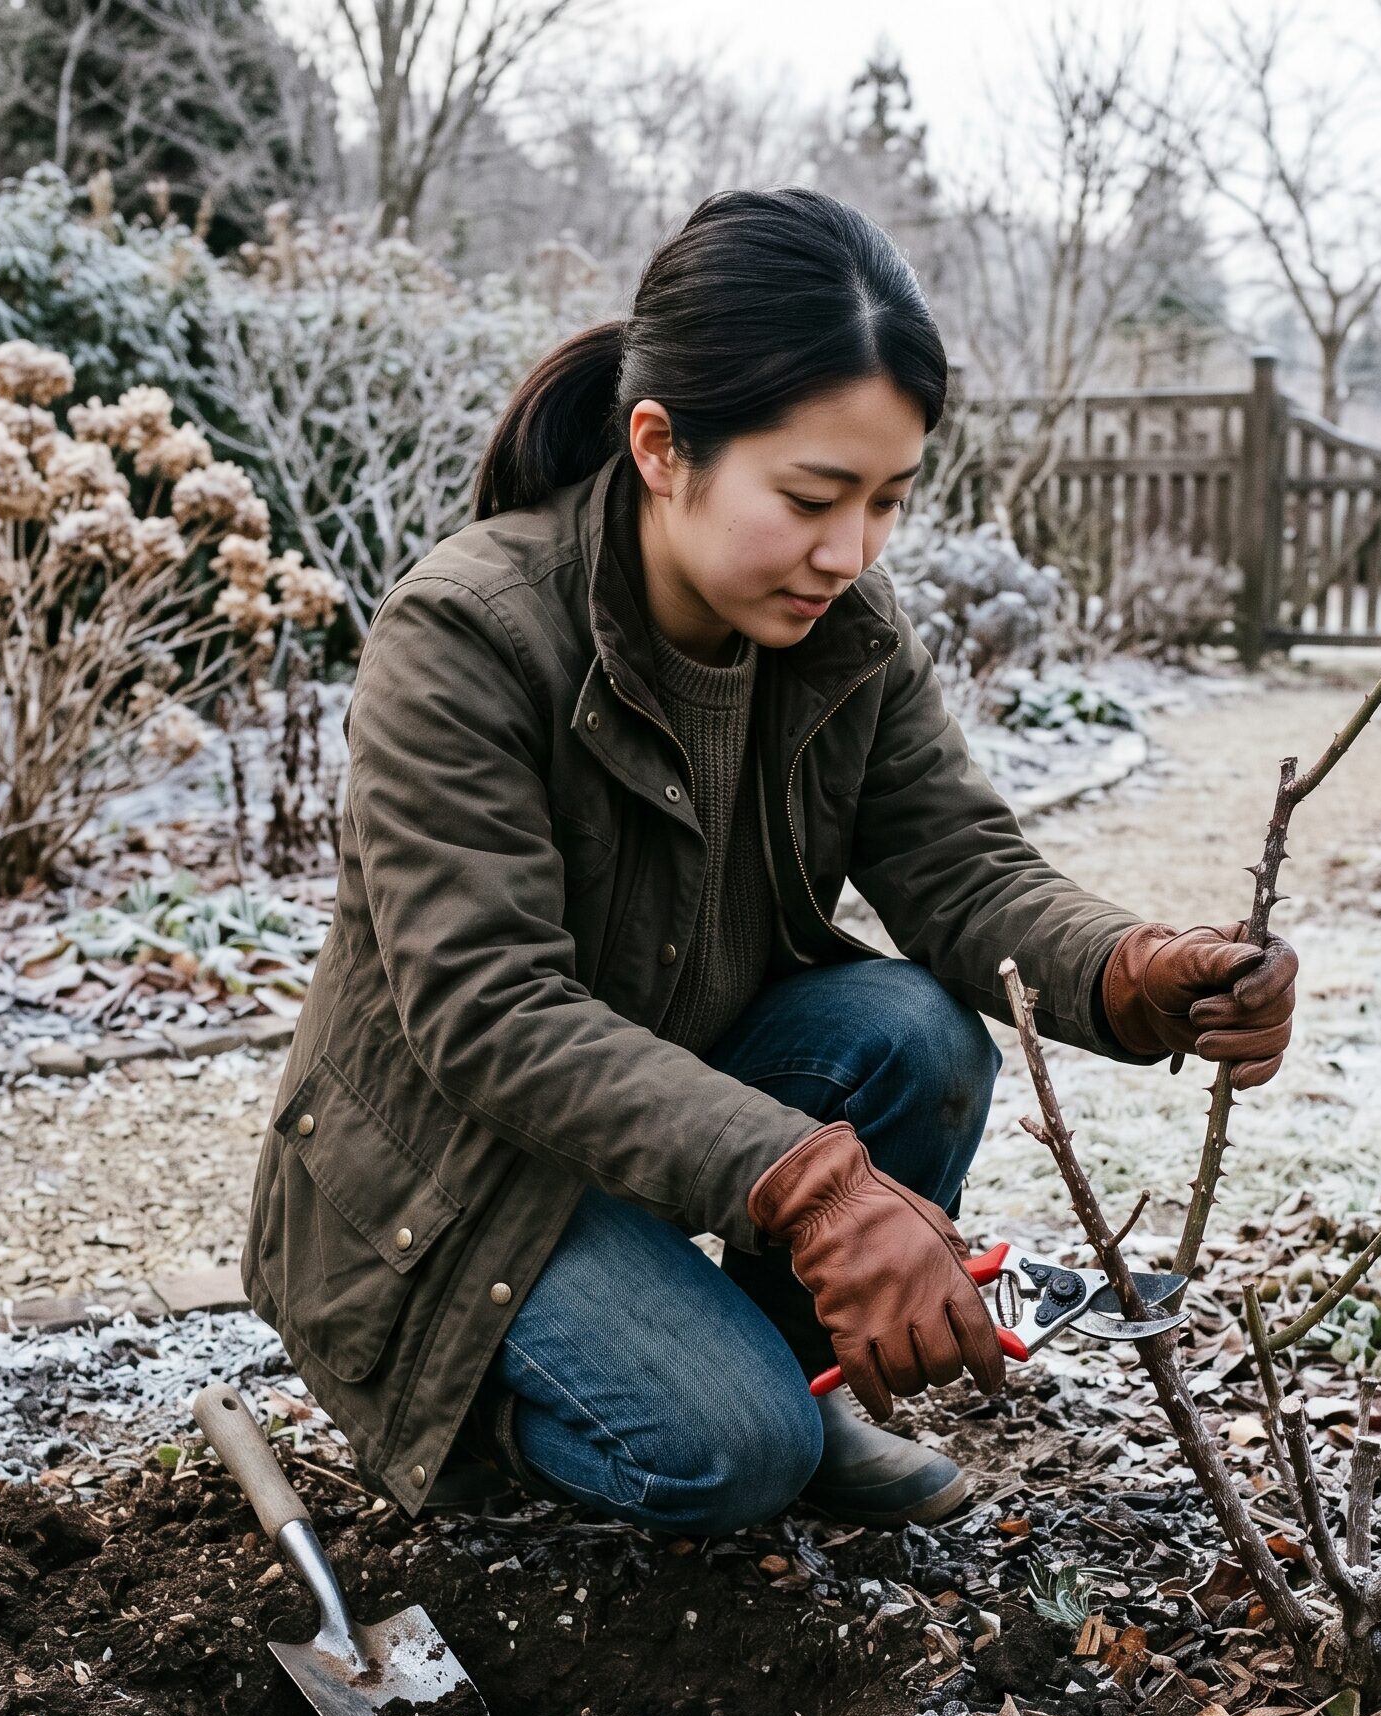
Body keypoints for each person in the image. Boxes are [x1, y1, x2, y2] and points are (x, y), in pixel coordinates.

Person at [241, 187, 1297, 1537]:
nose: (847, 551)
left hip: (660, 1111)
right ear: (661, 447)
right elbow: (489, 1011)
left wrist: (1133, 971)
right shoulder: (467, 634)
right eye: (810, 497)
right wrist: (813, 1186)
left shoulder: (842, 629)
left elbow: (961, 867)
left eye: (887, 501)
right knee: (729, 1452)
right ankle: (480, 1418)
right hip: (457, 1175)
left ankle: (794, 1382)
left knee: (915, 1033)